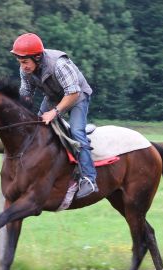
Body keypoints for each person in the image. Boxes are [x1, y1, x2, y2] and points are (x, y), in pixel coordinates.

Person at [10, 32, 98, 199]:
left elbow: (72, 93)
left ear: (36, 57)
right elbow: (26, 94)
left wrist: (55, 112)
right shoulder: (25, 69)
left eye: (25, 62)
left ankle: (89, 178)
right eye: (20, 62)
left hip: (78, 96)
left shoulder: (59, 65)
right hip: (54, 97)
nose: (23, 66)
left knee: (77, 132)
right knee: (36, 129)